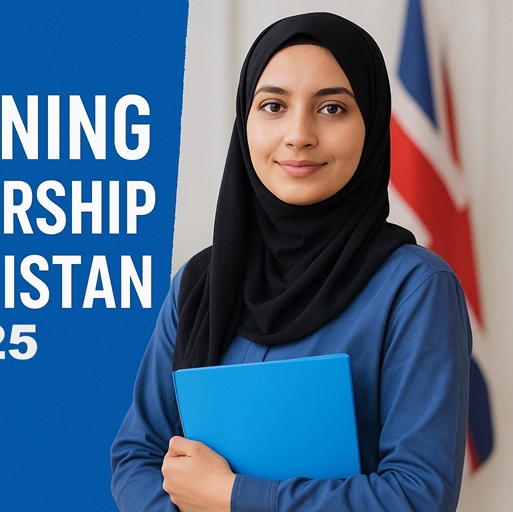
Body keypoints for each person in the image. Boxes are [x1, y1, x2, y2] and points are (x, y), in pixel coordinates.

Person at [110, 12, 471, 512]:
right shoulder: (199, 282)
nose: (299, 134)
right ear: (245, 121)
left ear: (371, 125)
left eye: (332, 108)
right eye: (274, 105)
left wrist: (232, 496)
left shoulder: (415, 288)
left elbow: (417, 497)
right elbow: (137, 456)